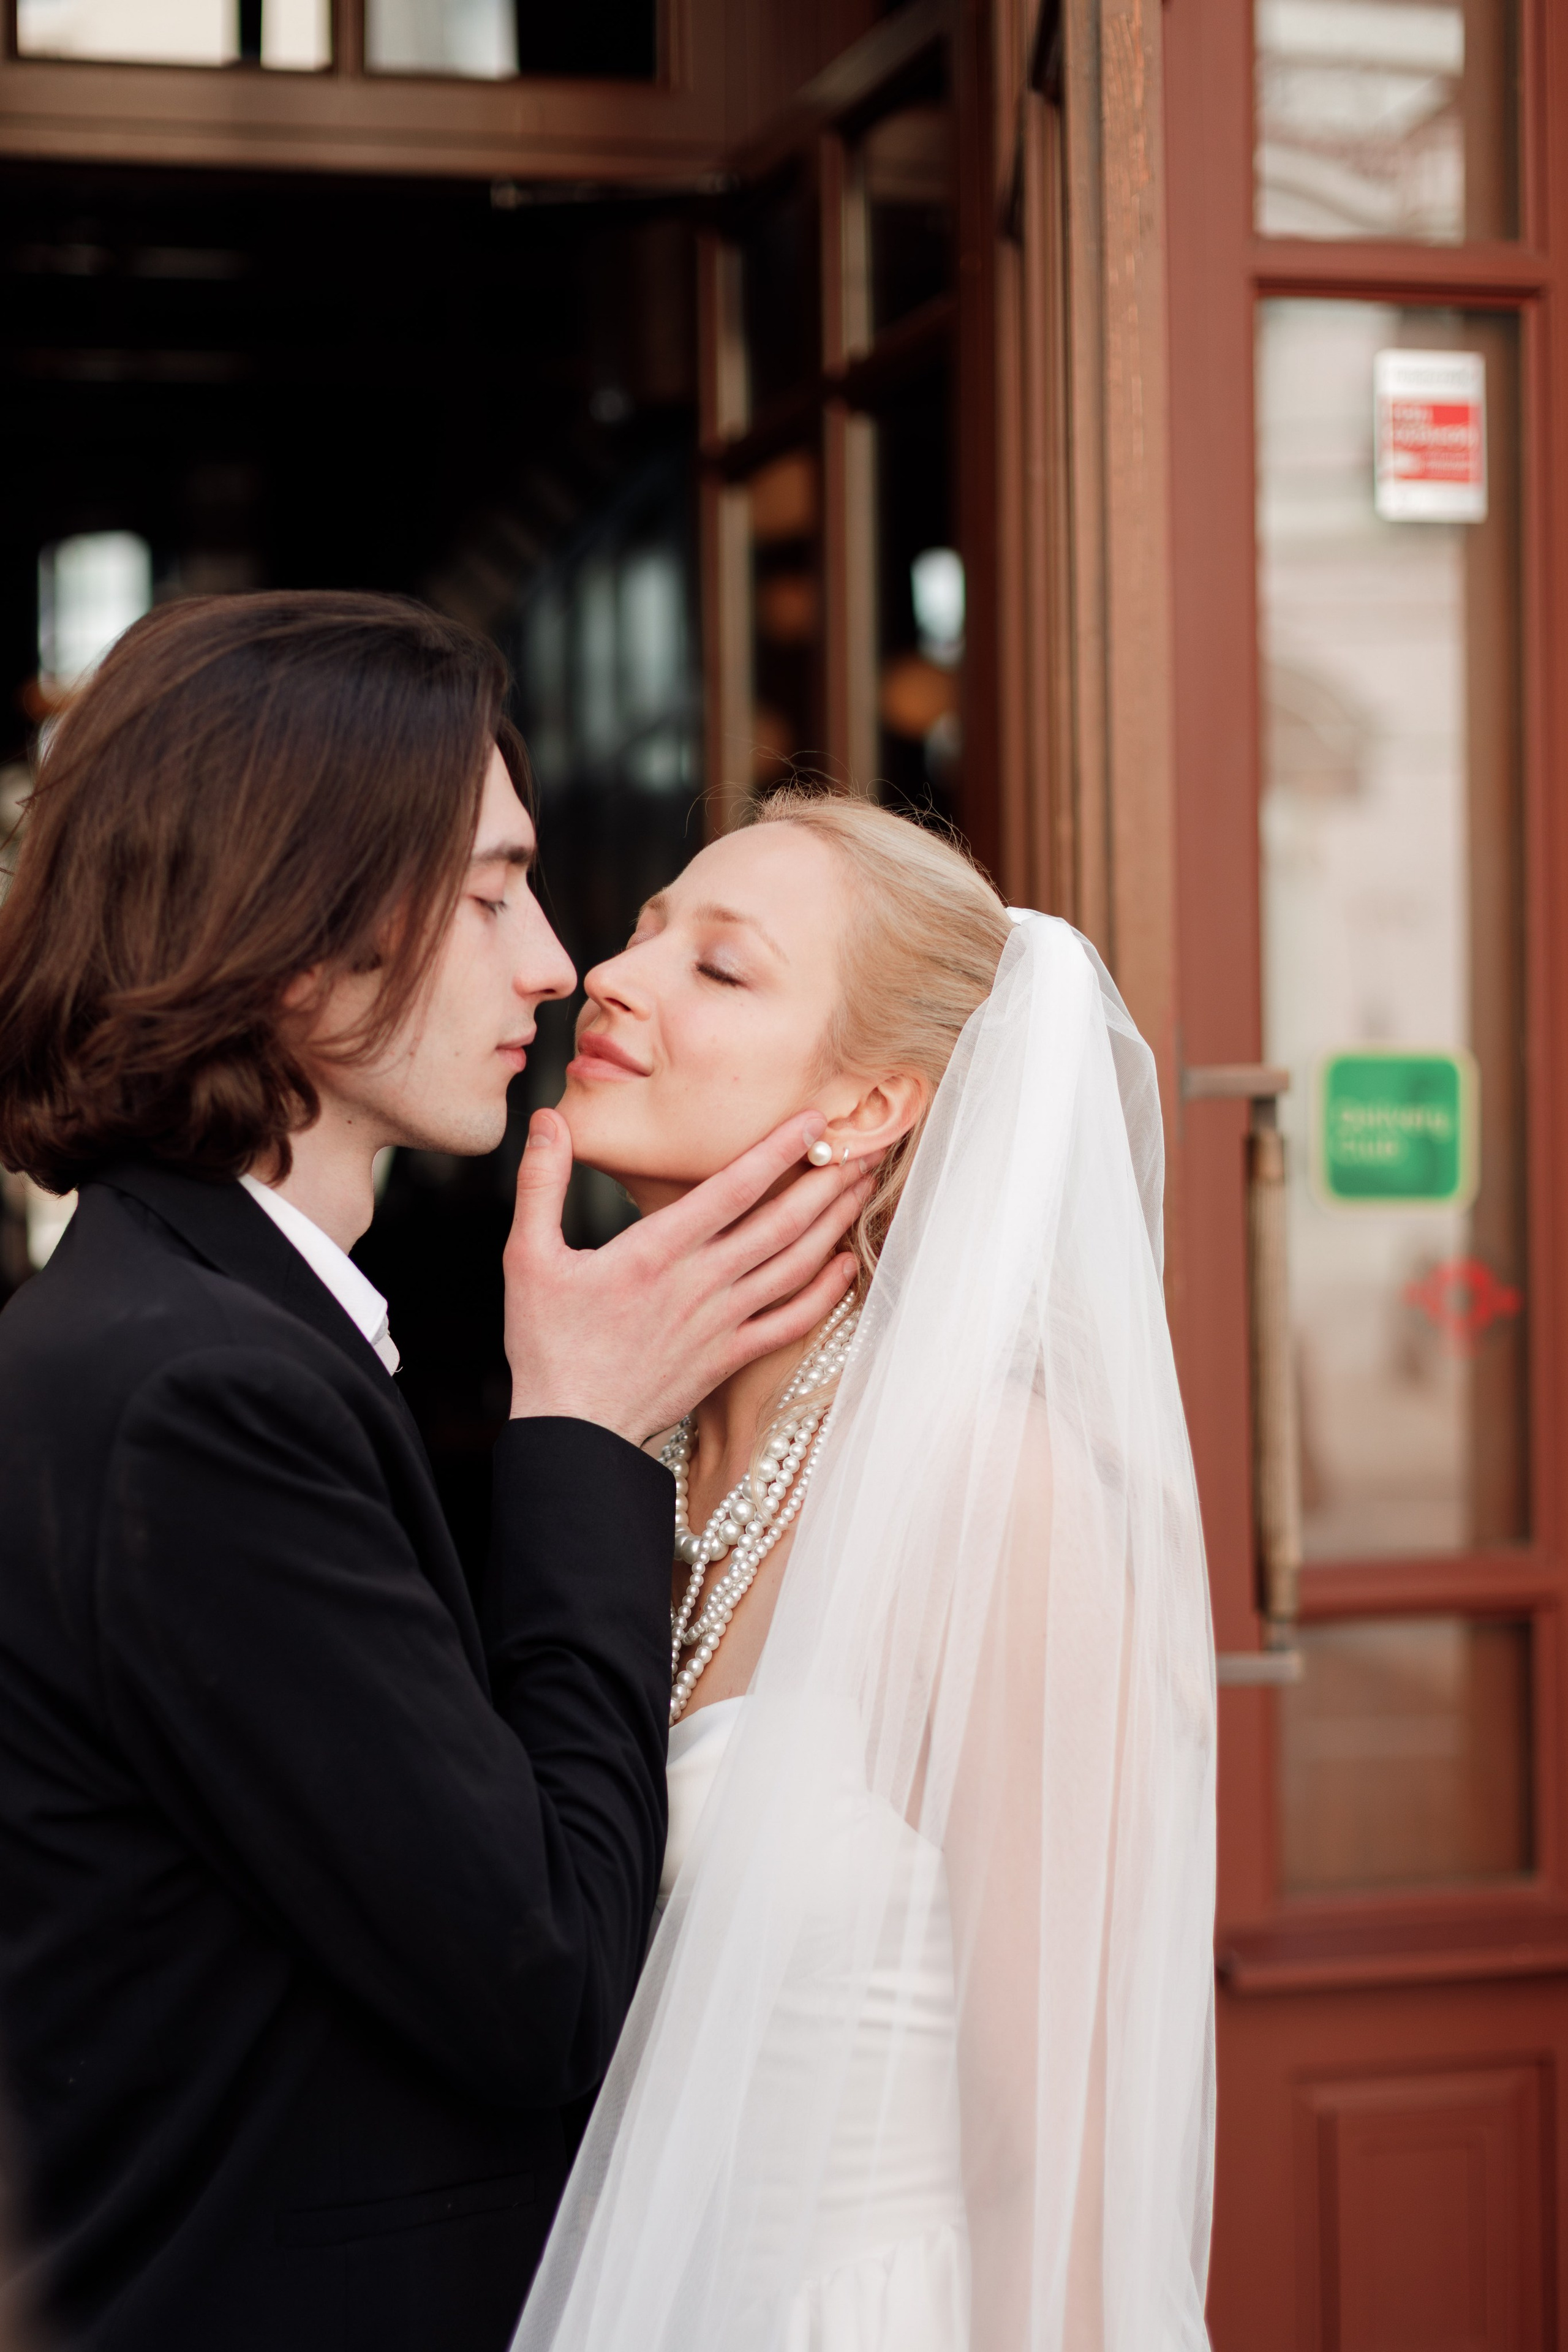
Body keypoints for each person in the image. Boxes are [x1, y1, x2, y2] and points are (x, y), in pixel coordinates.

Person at [0, 593, 868, 2352]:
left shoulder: (189, 1326)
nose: (553, 965)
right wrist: (581, 1433)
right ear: (288, 939)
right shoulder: (200, 1393)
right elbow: (541, 1981)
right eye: (487, 896)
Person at [511, 791, 1218, 2352]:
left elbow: (1059, 2154)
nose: (610, 979)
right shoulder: (640, 1462)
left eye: (721, 966)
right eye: (641, 933)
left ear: (865, 1110)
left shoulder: (989, 1489)